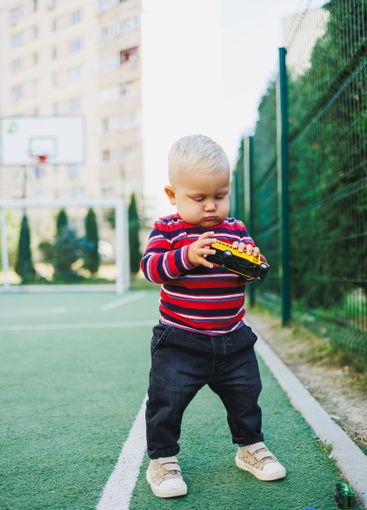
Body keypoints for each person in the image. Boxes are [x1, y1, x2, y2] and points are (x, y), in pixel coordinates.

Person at [140, 134, 286, 499]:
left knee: (246, 395)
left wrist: (248, 263)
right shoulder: (169, 229)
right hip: (179, 341)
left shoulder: (234, 229)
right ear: (173, 196)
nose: (211, 207)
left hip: (233, 339)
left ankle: (250, 448)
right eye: (199, 198)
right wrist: (186, 256)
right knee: (166, 401)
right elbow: (151, 268)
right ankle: (163, 460)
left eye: (219, 196)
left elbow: (255, 271)